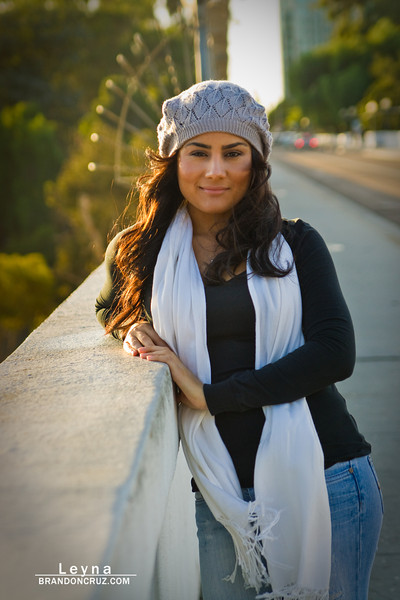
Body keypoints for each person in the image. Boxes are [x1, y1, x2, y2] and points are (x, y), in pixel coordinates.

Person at [95, 80, 383, 600]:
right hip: (219, 489)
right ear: (172, 161)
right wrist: (129, 327)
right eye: (197, 153)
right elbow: (108, 308)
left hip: (328, 477)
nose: (215, 170)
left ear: (257, 162)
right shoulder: (140, 251)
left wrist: (211, 396)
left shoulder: (295, 243)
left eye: (234, 153)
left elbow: (334, 352)